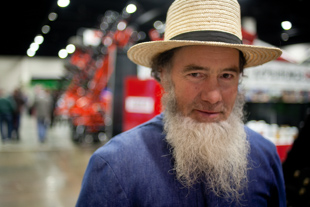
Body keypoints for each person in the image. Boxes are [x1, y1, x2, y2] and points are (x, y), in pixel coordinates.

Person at [76, 0, 286, 206]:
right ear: (164, 75)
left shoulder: (264, 157)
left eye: (226, 76)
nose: (213, 97)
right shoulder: (116, 166)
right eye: (196, 74)